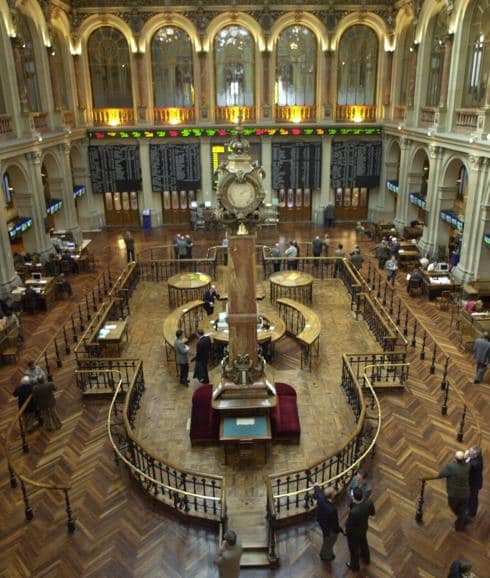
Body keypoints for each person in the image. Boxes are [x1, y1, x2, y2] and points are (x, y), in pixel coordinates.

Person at [438, 450, 470, 531]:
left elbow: (441, 475)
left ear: (455, 459)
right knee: (462, 510)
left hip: (454, 494)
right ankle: (461, 524)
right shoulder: (468, 466)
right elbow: (465, 463)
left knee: (453, 507)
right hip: (466, 493)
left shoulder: (451, 466)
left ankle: (462, 518)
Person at [345, 487, 375, 571]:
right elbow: (372, 513)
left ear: (354, 498)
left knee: (354, 549)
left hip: (354, 533)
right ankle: (366, 558)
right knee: (364, 543)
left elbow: (349, 525)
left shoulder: (353, 512)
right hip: (364, 527)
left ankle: (354, 566)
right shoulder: (369, 502)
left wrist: (346, 532)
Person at [313, 485, 342, 561]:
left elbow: (318, 492)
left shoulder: (321, 499)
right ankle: (325, 556)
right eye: (334, 491)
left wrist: (316, 486)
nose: (335, 492)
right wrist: (338, 530)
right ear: (331, 496)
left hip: (322, 522)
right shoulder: (332, 510)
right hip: (329, 529)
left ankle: (327, 552)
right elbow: (335, 524)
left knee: (326, 539)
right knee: (329, 542)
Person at [465, 445, 483, 518]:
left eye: (471, 452)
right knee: (471, 497)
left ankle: (471, 513)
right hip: (473, 481)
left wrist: (465, 457)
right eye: (469, 450)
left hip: (473, 484)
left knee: (473, 498)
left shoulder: (474, 464)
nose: (469, 452)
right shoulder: (479, 457)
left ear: (475, 455)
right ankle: (468, 508)